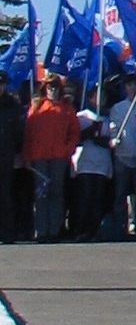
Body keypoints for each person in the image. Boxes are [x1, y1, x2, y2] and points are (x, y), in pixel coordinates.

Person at [24, 77, 78, 240]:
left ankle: (54, 230)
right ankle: (41, 231)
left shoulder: (67, 108)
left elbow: (74, 133)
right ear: (44, 88)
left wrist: (67, 150)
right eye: (49, 87)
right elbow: (28, 133)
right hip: (39, 157)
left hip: (59, 158)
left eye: (55, 86)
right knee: (41, 194)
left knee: (56, 193)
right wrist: (27, 156)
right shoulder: (37, 106)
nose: (52, 90)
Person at [105, 72, 136, 240]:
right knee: (120, 194)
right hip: (123, 157)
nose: (132, 88)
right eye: (129, 85)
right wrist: (113, 139)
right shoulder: (118, 108)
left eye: (135, 85)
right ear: (125, 88)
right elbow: (114, 128)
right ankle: (120, 229)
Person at [71, 101, 113, 240]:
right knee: (84, 197)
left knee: (97, 198)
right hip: (85, 163)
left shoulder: (109, 117)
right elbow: (75, 138)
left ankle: (94, 230)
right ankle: (80, 228)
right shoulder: (82, 116)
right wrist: (88, 132)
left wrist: (99, 139)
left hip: (102, 163)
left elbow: (112, 141)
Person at [0, 77, 23, 244]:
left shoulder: (11, 105)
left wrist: (17, 152)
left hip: (5, 158)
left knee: (5, 197)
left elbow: (19, 132)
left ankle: (8, 233)